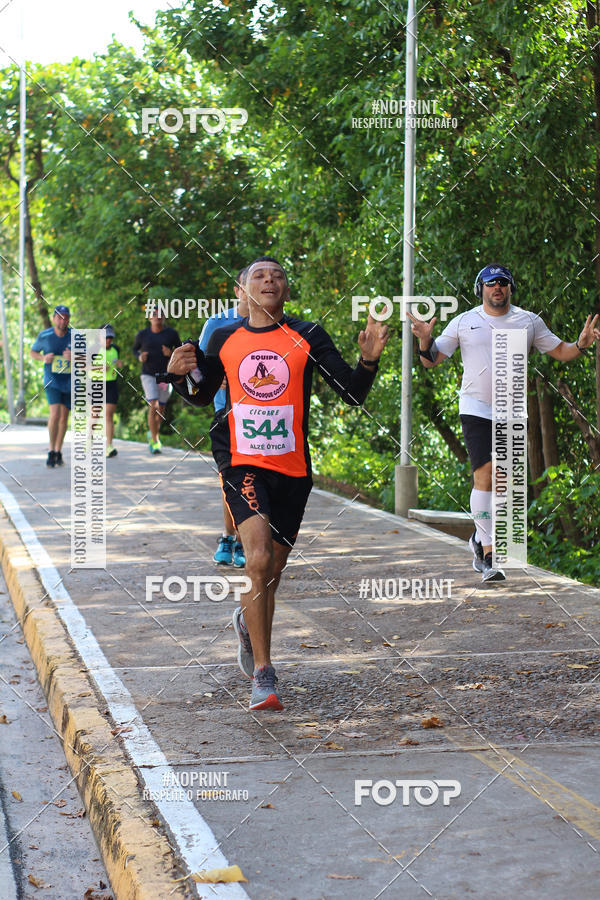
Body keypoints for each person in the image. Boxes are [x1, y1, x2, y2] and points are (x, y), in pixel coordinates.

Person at [167, 256, 388, 711]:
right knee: (258, 559)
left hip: (292, 468)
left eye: (278, 276)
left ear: (286, 291)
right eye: (259, 276)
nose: (270, 280)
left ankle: (248, 625)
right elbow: (200, 394)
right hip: (239, 460)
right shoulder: (224, 337)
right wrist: (177, 375)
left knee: (272, 574)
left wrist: (368, 361)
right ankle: (265, 675)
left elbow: (349, 391)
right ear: (240, 291)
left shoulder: (307, 335)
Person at [410, 263, 600, 582]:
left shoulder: (528, 321)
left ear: (510, 288)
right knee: (484, 474)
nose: (496, 287)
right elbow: (431, 361)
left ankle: (481, 539)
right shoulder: (464, 321)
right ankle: (487, 552)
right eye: (490, 283)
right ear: (480, 288)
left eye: (503, 282)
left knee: (502, 480)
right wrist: (424, 341)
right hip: (475, 407)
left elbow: (561, 352)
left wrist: (581, 344)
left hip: (511, 410)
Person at [199, 267, 249, 568]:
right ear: (238, 291)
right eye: (248, 285)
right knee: (230, 477)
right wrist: (220, 379)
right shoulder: (218, 323)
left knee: (252, 479)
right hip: (226, 410)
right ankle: (229, 537)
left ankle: (244, 541)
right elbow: (202, 369)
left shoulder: (274, 323)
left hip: (262, 416)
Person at [133, 311, 180, 454]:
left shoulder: (171, 334)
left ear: (164, 317)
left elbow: (180, 350)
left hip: (165, 375)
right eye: (153, 314)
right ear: (149, 317)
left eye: (160, 314)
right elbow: (135, 349)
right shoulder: (142, 334)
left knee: (161, 409)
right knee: (153, 404)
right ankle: (155, 440)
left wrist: (170, 354)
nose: (157, 316)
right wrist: (140, 356)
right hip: (148, 375)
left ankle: (152, 433)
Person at [30, 305, 72, 467]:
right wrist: (43, 358)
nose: (63, 320)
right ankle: (50, 450)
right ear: (54, 318)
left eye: (66, 317)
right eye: (60, 317)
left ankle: (57, 451)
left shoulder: (75, 336)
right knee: (54, 414)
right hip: (52, 380)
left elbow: (88, 358)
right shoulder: (45, 335)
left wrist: (74, 357)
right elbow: (33, 352)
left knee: (64, 417)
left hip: (69, 382)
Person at [90, 325, 123, 458]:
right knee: (95, 414)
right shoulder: (94, 349)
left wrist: (119, 364)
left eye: (110, 337)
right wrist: (99, 367)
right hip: (96, 384)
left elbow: (116, 363)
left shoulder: (116, 349)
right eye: (106, 337)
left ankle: (109, 446)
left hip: (111, 385)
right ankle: (89, 438)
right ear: (99, 336)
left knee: (109, 415)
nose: (108, 340)